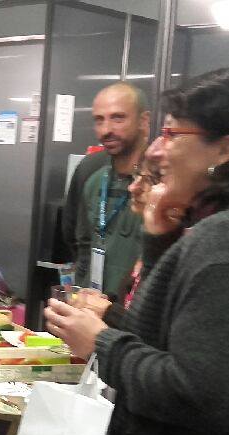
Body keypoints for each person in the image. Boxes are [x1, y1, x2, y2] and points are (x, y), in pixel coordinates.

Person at [45, 68, 229, 435]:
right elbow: (161, 339)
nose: (158, 150)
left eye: (172, 134)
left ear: (225, 149)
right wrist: (159, 237)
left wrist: (103, 343)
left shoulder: (221, 245)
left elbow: (200, 394)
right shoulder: (201, 231)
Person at [65, 82, 150, 297]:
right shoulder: (92, 178)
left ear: (143, 121)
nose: (106, 130)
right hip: (89, 310)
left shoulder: (159, 183)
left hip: (133, 316)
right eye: (99, 120)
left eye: (118, 118)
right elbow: (82, 246)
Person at [71, 158, 159, 328]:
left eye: (149, 180)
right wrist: (105, 303)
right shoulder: (94, 178)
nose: (133, 187)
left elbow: (153, 337)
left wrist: (109, 312)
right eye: (137, 176)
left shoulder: (176, 252)